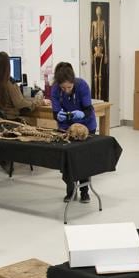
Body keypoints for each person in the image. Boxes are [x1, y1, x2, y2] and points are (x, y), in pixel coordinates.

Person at [51, 62, 97, 203]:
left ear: (73, 82)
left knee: (83, 159)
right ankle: (70, 191)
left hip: (86, 125)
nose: (66, 91)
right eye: (63, 88)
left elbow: (88, 109)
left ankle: (84, 191)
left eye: (69, 87)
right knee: (67, 160)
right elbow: (55, 112)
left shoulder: (82, 85)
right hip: (66, 127)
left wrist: (81, 114)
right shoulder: (55, 89)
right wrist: (58, 115)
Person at [0, 51, 38, 119]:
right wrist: (36, 102)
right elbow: (20, 104)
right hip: (7, 121)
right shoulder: (9, 83)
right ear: (8, 67)